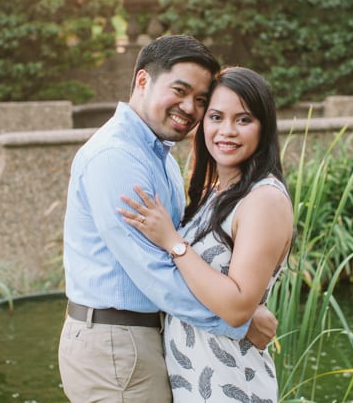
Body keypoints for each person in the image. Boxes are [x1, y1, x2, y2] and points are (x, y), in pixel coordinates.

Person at [58, 36, 278, 402]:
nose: (189, 107)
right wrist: (237, 322)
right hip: (117, 345)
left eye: (201, 100)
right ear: (143, 81)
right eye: (180, 90)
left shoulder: (158, 156)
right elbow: (154, 270)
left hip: (137, 341)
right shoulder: (117, 157)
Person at [118, 66, 294, 402]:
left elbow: (238, 306)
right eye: (216, 117)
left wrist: (173, 242)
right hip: (194, 380)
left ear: (264, 127)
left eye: (243, 120)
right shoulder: (215, 193)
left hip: (231, 385)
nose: (226, 131)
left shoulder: (263, 198)